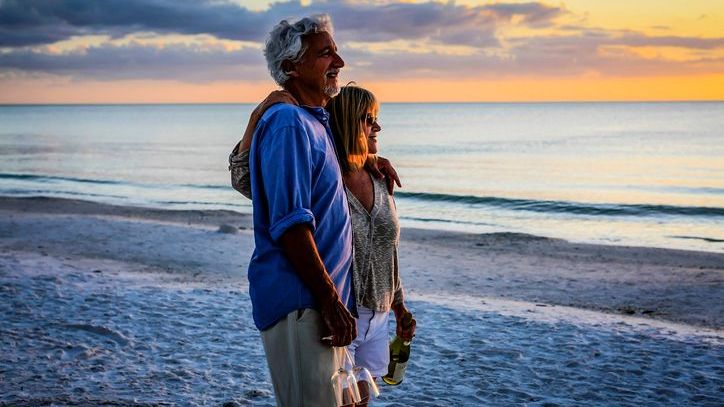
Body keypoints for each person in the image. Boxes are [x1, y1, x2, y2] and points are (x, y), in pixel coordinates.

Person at [246, 14, 357, 406]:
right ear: (291, 67)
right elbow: (291, 225)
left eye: (336, 52)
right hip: (305, 306)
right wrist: (330, 301)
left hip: (321, 308)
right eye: (326, 53)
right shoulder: (289, 124)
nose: (339, 63)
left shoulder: (312, 123)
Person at [327, 85, 416, 406]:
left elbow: (386, 251)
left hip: (378, 318)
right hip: (340, 316)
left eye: (376, 119)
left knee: (362, 403)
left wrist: (400, 307)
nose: (376, 127)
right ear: (348, 123)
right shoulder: (328, 179)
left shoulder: (380, 179)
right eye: (368, 119)